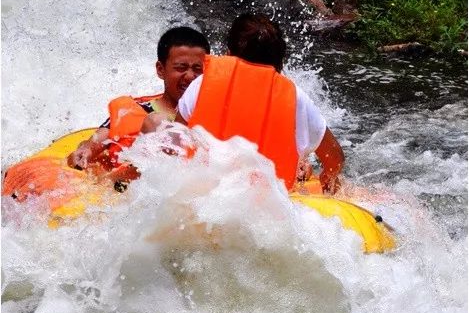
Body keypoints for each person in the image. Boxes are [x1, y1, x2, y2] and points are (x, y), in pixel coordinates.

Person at [142, 13, 344, 193]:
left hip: (205, 199)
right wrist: (327, 180)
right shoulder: (296, 97)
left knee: (154, 122)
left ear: (229, 55)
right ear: (279, 62)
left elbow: (179, 144)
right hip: (267, 208)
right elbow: (334, 159)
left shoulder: (202, 84)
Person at [67, 26, 210, 170]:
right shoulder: (131, 110)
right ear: (161, 70)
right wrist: (85, 151)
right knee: (158, 121)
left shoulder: (216, 114)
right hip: (128, 185)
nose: (191, 76)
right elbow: (92, 145)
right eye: (181, 68)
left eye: (198, 69)